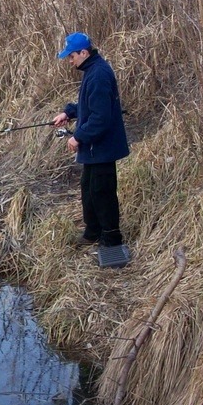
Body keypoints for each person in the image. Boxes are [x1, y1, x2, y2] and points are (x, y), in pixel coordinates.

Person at [52, 32, 129, 250]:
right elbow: (89, 106)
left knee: (102, 193)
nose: (70, 60)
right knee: (88, 188)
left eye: (72, 56)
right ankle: (92, 232)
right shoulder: (91, 71)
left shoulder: (98, 75)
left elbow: (100, 118)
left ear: (84, 52)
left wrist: (78, 137)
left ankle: (112, 239)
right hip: (95, 148)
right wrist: (68, 113)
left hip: (103, 147)